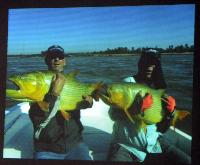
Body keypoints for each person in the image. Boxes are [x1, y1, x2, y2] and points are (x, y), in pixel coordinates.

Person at [106, 49, 191, 163]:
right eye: (146, 63)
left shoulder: (159, 89)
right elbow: (112, 115)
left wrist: (171, 113)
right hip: (126, 146)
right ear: (141, 64)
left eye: (153, 64)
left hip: (154, 144)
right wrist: (135, 109)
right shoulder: (128, 83)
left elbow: (162, 129)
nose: (149, 68)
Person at [29, 45, 93, 160]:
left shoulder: (74, 82)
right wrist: (53, 94)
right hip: (47, 149)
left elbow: (87, 100)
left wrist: (89, 103)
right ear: (46, 61)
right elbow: (38, 118)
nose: (57, 59)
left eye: (60, 57)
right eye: (53, 57)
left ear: (65, 61)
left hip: (76, 145)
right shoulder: (38, 83)